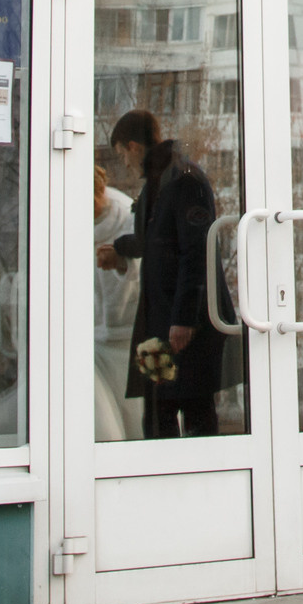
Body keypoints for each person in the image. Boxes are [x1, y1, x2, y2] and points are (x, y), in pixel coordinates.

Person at [104, 109, 231, 437]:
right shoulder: (160, 182)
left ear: (134, 147)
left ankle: (203, 482)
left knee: (193, 411)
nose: (125, 165)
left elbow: (196, 251)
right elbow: (153, 240)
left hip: (183, 326)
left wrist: (184, 320)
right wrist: (118, 248)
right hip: (162, 324)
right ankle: (168, 482)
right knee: (158, 412)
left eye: (122, 156)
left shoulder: (183, 178)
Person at [92, 165, 141, 441]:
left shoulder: (126, 215)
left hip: (124, 337)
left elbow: (142, 265)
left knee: (133, 415)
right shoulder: (68, 210)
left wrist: (120, 261)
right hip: (93, 336)